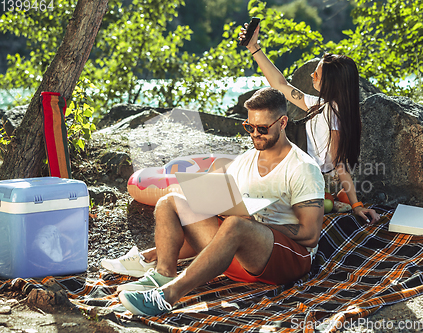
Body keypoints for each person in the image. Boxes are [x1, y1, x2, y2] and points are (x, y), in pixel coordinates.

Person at [116, 87, 326, 316]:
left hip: (286, 260)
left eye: (263, 128)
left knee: (236, 224)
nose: (255, 134)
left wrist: (255, 224)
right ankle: (162, 276)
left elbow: (310, 235)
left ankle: (167, 297)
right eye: (249, 127)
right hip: (236, 255)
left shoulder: (302, 168)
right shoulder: (245, 160)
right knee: (169, 202)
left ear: (283, 122)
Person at [239, 21, 380, 224]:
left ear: (330, 83)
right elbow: (280, 84)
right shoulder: (320, 105)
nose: (312, 75)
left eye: (317, 74)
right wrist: (254, 48)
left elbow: (339, 163)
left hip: (299, 175)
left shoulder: (334, 111)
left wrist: (356, 205)